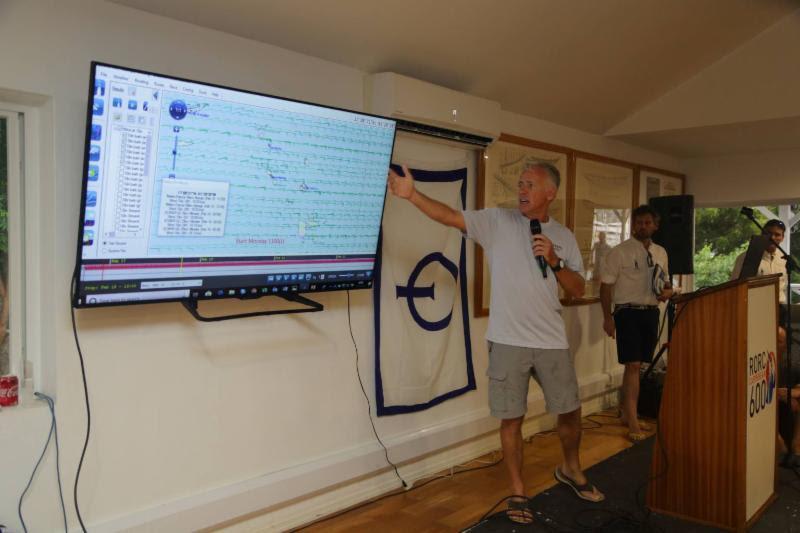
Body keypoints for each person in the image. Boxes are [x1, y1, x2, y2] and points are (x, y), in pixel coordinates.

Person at [388, 161, 603, 524]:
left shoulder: (562, 236)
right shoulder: (497, 222)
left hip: (551, 340)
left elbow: (578, 289)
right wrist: (412, 196)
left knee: (569, 411)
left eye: (530, 185)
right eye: (520, 184)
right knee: (511, 419)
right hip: (507, 341)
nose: (522, 190)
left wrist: (553, 260)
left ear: (550, 193)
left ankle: (571, 469)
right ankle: (518, 491)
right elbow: (450, 217)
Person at [599, 205, 673, 442]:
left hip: (650, 312)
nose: (642, 226)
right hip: (627, 313)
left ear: (655, 225)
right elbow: (606, 286)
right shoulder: (619, 252)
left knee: (637, 366)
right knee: (632, 366)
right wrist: (607, 317)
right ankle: (632, 421)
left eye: (647, 222)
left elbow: (665, 282)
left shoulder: (661, 252)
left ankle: (624, 410)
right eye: (639, 222)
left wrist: (667, 292)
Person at [730, 219, 798, 464]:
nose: (774, 239)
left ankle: (775, 381)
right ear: (762, 234)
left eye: (778, 235)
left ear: (782, 237)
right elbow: (735, 286)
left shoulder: (783, 260)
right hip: (753, 306)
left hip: (777, 308)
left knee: (779, 342)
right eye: (770, 234)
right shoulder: (746, 257)